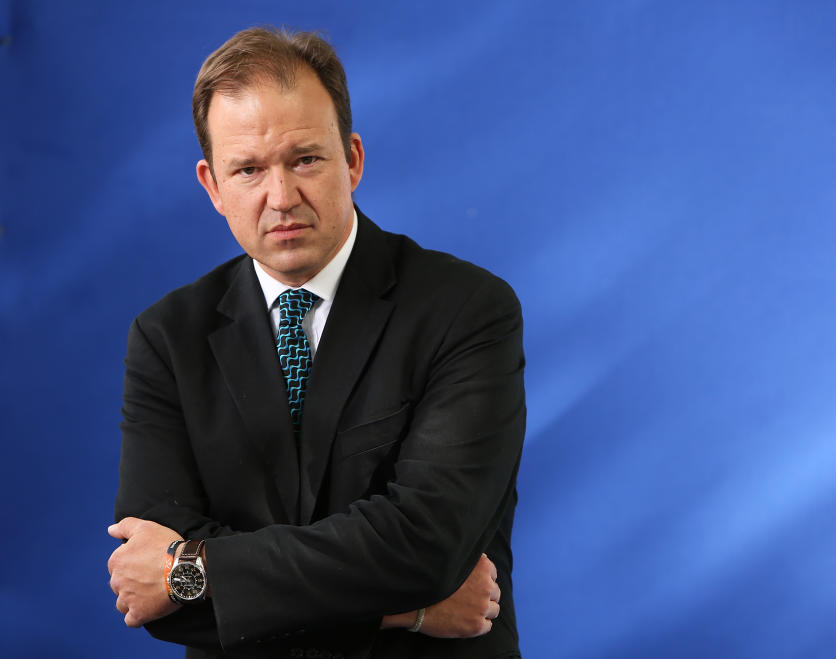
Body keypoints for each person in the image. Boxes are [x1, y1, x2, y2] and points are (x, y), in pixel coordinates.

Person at [106, 27, 525, 659]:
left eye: (304, 159)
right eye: (248, 169)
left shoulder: (467, 311)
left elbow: (425, 545)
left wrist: (193, 571)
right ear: (212, 186)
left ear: (352, 160)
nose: (281, 197)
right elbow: (153, 601)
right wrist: (403, 612)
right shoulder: (167, 338)